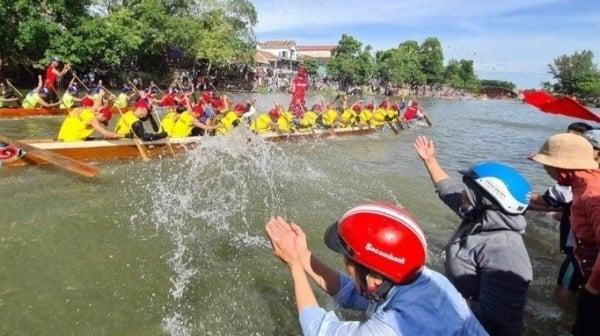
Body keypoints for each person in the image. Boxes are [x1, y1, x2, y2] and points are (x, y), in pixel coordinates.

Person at [265, 201, 488, 335]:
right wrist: (303, 256)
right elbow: (352, 294)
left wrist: (294, 265)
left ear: (373, 275)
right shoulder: (429, 281)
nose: (345, 265)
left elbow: (318, 331)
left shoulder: (391, 328)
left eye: (347, 261)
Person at [414, 135, 533, 336]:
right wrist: (429, 160)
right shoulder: (479, 217)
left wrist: (431, 297)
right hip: (458, 317)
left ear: (487, 202)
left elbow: (495, 319)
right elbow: (448, 190)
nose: (462, 194)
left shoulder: (505, 251)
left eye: (468, 192)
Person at [529, 132, 600, 336]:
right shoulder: (581, 185)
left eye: (546, 166)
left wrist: (592, 291)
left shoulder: (592, 195)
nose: (545, 170)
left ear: (561, 170)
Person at [57, 98, 123, 141]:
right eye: (104, 121)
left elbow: (98, 108)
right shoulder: (91, 117)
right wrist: (125, 135)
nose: (102, 122)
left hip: (61, 140)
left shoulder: (75, 110)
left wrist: (107, 102)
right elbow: (105, 134)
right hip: (72, 144)